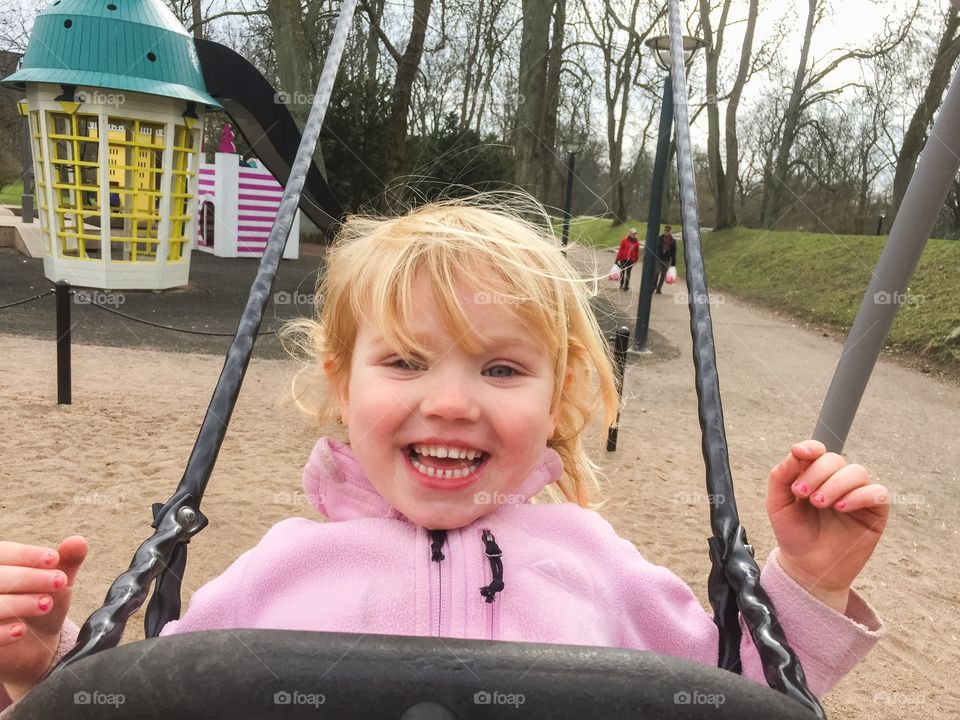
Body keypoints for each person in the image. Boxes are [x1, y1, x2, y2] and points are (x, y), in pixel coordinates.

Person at [0, 195, 888, 711]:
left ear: (556, 398)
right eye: (407, 362)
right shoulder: (282, 570)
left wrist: (804, 587)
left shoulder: (597, 565)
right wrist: (54, 663)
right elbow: (159, 699)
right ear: (344, 385)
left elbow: (739, 697)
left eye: (501, 368)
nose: (453, 401)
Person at [655, 224, 677, 294]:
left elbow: (674, 251)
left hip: (667, 260)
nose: (666, 232)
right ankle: (653, 286)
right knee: (656, 273)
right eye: (665, 230)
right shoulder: (659, 238)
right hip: (658, 258)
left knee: (663, 275)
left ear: (670, 232)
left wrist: (673, 262)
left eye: (668, 231)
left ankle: (659, 288)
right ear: (664, 231)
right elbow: (655, 247)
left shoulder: (673, 241)